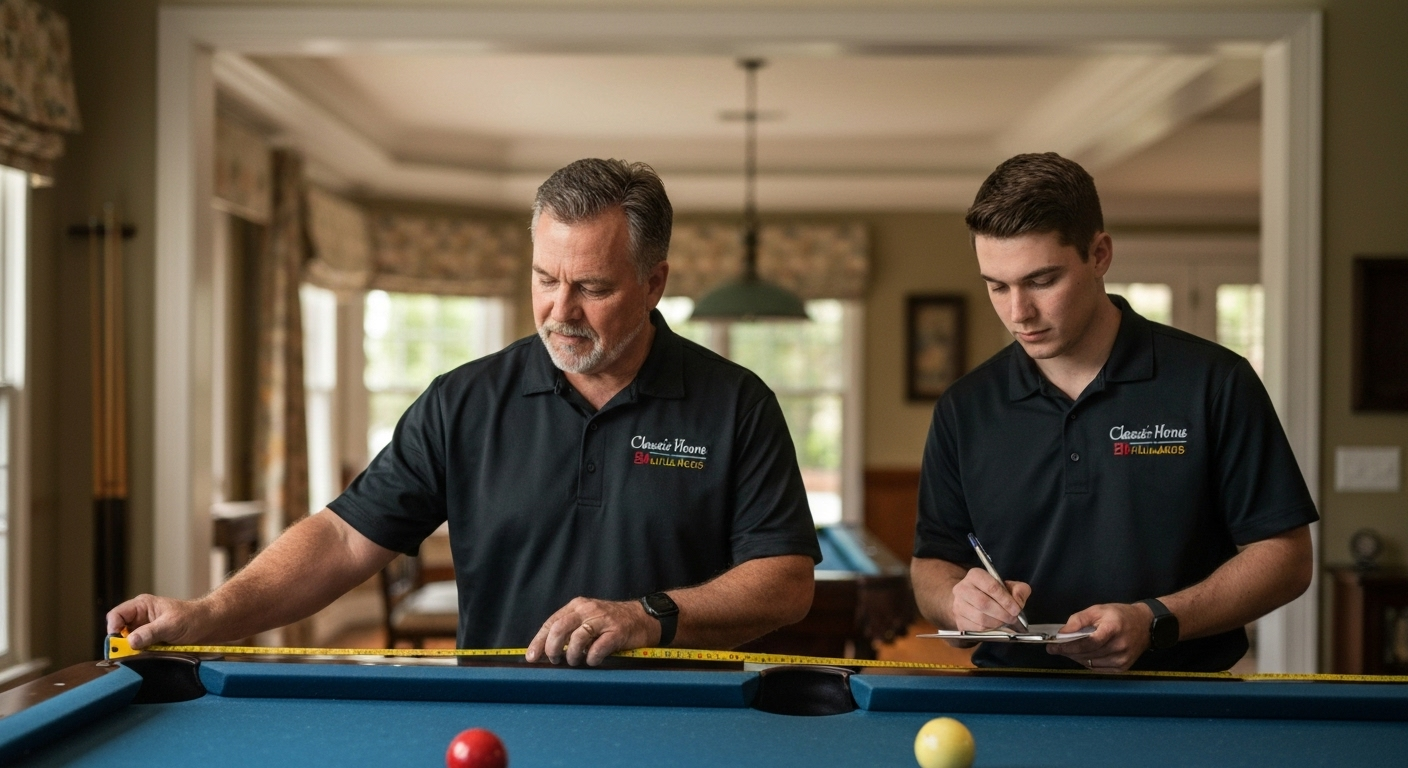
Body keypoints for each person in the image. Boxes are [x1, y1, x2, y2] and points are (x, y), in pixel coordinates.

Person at [110, 159, 820, 666]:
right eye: (545, 279)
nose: (559, 311)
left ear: (654, 282)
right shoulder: (465, 400)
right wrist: (209, 613)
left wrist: (648, 615)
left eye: (592, 287)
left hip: (686, 724)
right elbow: (342, 540)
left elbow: (785, 582)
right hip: (498, 718)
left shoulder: (736, 403)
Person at [910, 153, 1317, 673]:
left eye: (1041, 281)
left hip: (1184, 705)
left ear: (1099, 254)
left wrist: (1155, 620)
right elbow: (933, 563)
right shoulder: (964, 407)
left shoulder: (1215, 381)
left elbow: (1286, 558)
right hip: (1010, 703)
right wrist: (956, 602)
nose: (1019, 313)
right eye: (997, 286)